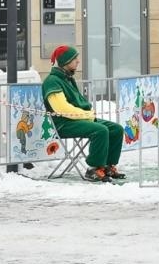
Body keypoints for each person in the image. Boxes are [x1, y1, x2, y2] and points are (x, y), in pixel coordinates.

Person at [41, 45, 126, 182]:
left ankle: (107, 166)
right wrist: (86, 115)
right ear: (65, 61)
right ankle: (94, 168)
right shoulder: (52, 82)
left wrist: (86, 115)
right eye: (75, 59)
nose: (78, 61)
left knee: (116, 129)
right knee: (100, 130)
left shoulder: (67, 79)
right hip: (63, 123)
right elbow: (62, 109)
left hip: (77, 120)